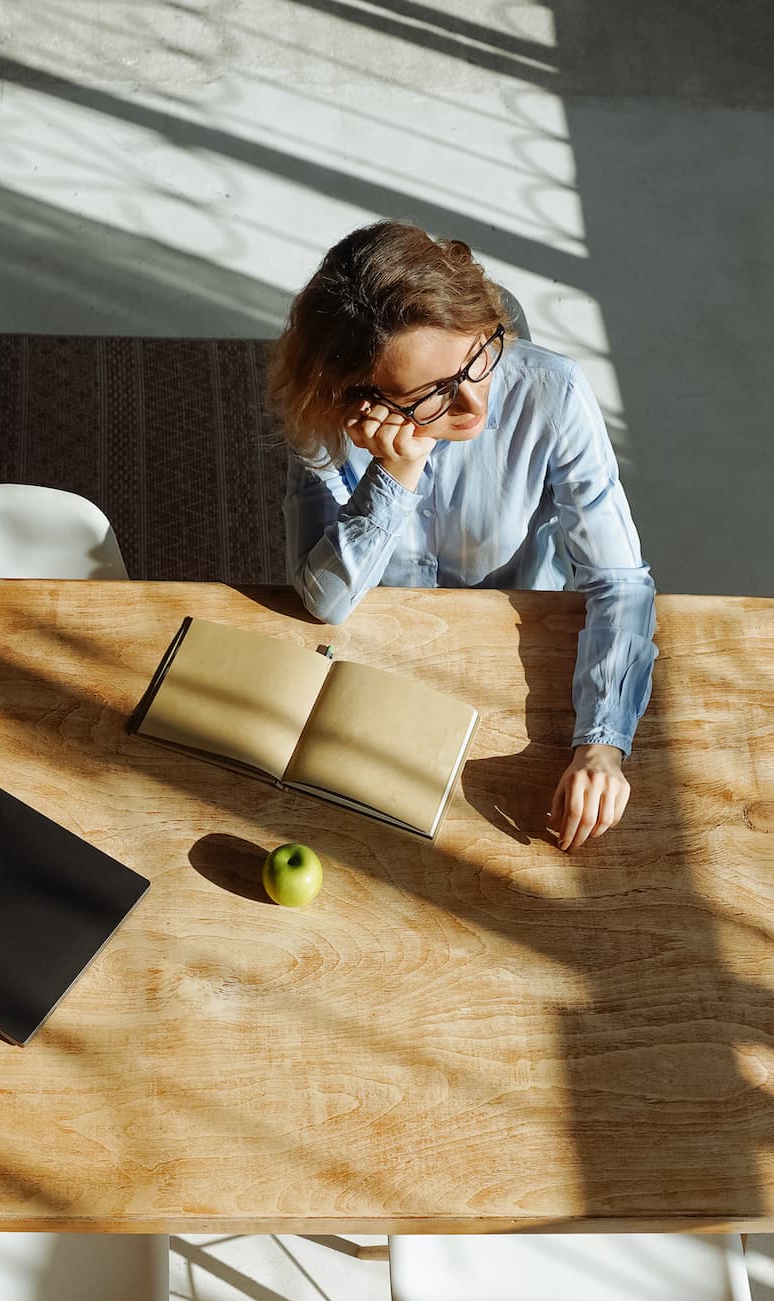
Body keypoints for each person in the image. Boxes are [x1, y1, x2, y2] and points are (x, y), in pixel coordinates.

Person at [271, 220, 656, 851]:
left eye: (475, 359)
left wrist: (602, 745)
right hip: (378, 653)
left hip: (520, 652)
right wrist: (396, 472)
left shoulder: (553, 392)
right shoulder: (327, 422)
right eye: (432, 395)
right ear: (361, 400)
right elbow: (325, 601)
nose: (474, 403)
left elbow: (618, 579)